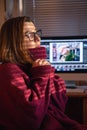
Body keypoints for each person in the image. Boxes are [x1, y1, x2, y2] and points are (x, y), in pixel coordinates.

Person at [0, 16, 87, 130]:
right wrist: (42, 74)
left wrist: (46, 71)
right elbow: (31, 119)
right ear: (14, 42)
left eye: (37, 33)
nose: (38, 39)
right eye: (30, 35)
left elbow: (58, 106)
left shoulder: (29, 68)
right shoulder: (8, 71)